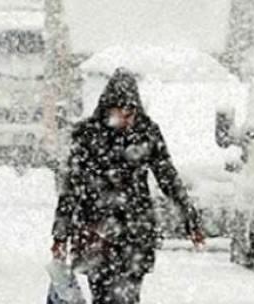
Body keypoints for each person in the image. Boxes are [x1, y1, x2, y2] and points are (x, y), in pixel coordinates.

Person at [50, 68, 204, 304]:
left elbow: (167, 178)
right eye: (119, 109)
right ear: (107, 107)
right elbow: (71, 188)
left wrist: (190, 218)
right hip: (96, 232)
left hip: (134, 232)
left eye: (130, 110)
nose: (125, 116)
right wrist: (60, 235)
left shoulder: (146, 133)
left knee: (128, 296)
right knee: (102, 295)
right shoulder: (88, 135)